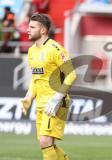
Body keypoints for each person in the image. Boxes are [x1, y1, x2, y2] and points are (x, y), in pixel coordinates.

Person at [20, 13, 76, 160]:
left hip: (56, 102)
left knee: (45, 141)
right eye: (28, 26)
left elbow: (71, 75)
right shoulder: (32, 51)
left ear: (43, 30)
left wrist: (56, 99)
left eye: (32, 27)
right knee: (46, 144)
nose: (27, 30)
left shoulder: (56, 49)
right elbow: (36, 78)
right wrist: (29, 96)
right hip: (41, 103)